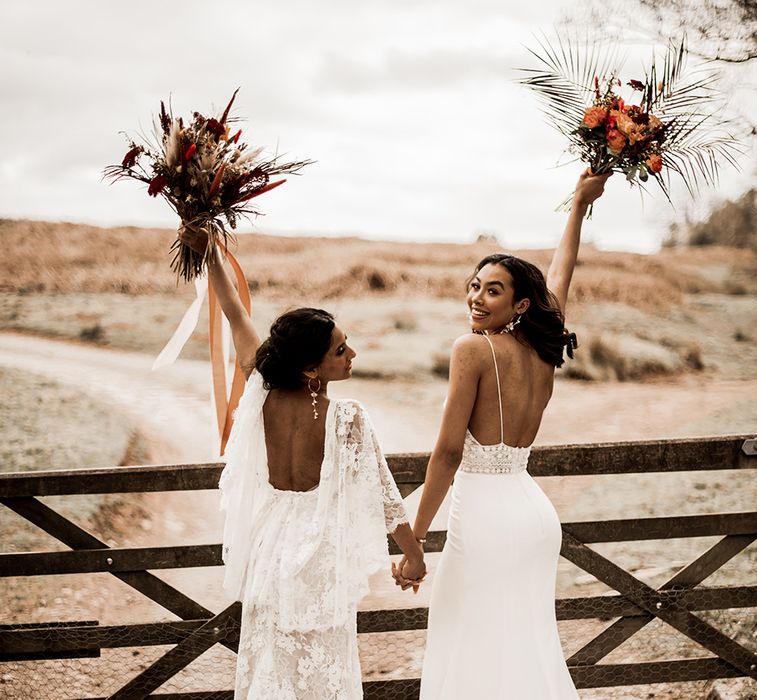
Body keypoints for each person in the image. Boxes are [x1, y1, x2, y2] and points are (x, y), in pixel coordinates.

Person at [179, 228, 426, 700]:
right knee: (323, 674)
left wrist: (208, 250)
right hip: (319, 562)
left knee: (276, 669)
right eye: (340, 350)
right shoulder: (347, 416)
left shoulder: (263, 387)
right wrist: (413, 556)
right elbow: (384, 495)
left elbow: (233, 310)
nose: (352, 354)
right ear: (311, 369)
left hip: (270, 554)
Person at [393, 170, 611, 699]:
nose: (477, 298)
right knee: (521, 645)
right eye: (474, 286)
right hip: (532, 515)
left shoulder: (473, 350)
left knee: (469, 643)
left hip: (488, 519)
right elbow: (562, 271)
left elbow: (447, 454)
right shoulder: (542, 347)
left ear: (519, 306)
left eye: (493, 291)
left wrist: (415, 539)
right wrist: (579, 204)